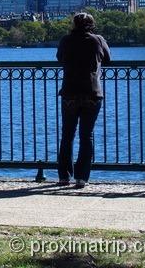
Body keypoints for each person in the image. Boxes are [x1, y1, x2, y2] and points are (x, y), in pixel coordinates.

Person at [56, 12, 111, 188]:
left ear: (74, 24)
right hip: (92, 93)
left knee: (67, 135)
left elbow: (59, 58)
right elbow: (108, 59)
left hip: (70, 93)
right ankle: (82, 177)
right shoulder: (98, 40)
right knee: (86, 136)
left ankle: (64, 176)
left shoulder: (65, 40)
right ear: (92, 24)